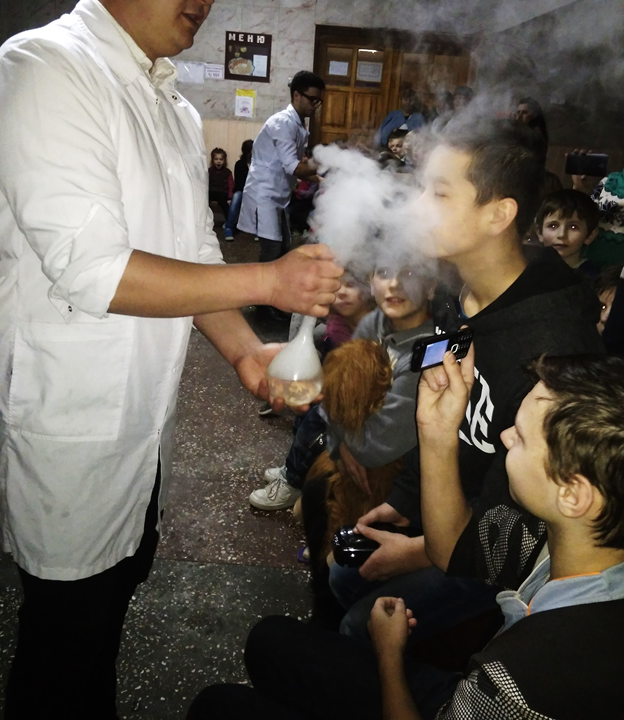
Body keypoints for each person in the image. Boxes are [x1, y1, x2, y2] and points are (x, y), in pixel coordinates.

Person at [0, 0, 343, 718]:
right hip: (73, 427)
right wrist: (267, 283)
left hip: (143, 429)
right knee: (60, 644)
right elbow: (95, 271)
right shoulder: (45, 68)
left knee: (107, 616)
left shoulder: (174, 107)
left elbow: (192, 259)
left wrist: (246, 353)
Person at [188, 353, 624, 719]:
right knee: (269, 640)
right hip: (464, 695)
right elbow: (454, 550)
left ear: (573, 494)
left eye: (523, 438)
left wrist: (389, 652)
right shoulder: (553, 534)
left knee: (218, 706)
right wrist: (436, 432)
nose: (506, 436)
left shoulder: (522, 678)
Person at [327, 117, 604, 643]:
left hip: (509, 549)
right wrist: (405, 500)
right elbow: (439, 405)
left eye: (438, 194)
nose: (414, 208)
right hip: (448, 502)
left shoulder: (553, 350)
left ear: (498, 215)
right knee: (343, 569)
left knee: (358, 624)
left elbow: (521, 532)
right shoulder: (457, 294)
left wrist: (417, 550)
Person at [250, 273, 374, 512]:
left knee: (312, 431)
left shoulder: (369, 326)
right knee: (302, 420)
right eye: (339, 285)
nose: (342, 291)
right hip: (327, 368)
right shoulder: (338, 313)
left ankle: (293, 482)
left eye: (352, 285)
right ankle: (292, 466)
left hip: (345, 382)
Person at [238, 71, 326, 273]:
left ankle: (272, 288)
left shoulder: (298, 125)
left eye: (318, 101)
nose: (315, 105)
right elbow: (294, 167)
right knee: (272, 248)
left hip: (279, 194)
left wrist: (321, 180)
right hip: (264, 193)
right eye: (312, 99)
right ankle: (260, 290)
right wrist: (329, 161)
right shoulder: (283, 123)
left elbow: (297, 168)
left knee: (284, 244)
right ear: (297, 95)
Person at [535, 188, 600, 277]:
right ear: (539, 232)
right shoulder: (529, 270)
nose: (561, 234)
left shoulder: (591, 277)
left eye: (573, 227)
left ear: (590, 235)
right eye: (553, 226)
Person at [224, 138, 253, 241]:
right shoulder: (239, 164)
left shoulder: (258, 164)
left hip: (254, 191)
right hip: (242, 190)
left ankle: (259, 230)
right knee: (237, 196)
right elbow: (239, 183)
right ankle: (228, 228)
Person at [208, 146, 233, 223]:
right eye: (216, 159)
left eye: (221, 159)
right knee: (204, 203)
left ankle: (229, 222)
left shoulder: (227, 172)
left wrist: (230, 198)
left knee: (224, 205)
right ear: (213, 160)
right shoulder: (210, 171)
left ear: (224, 160)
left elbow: (231, 186)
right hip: (211, 191)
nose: (218, 161)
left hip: (222, 193)